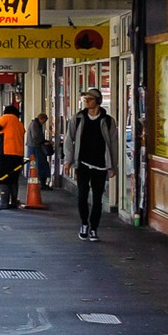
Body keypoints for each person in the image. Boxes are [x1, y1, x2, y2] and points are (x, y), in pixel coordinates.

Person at [65, 87, 119, 241]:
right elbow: (69, 140)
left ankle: (94, 227)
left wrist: (112, 166)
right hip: (82, 163)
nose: (86, 102)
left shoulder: (108, 121)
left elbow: (113, 144)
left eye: (90, 99)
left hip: (101, 165)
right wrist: (68, 161)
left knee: (97, 198)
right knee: (82, 195)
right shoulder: (78, 118)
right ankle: (84, 224)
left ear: (98, 101)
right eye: (85, 99)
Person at [0, 101, 26, 209]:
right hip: (18, 154)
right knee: (14, 178)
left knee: (3, 177)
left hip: (6, 153)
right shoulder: (19, 123)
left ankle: (3, 202)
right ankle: (13, 202)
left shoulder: (7, 117)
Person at [27, 111, 52, 187]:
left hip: (34, 146)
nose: (44, 122)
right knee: (40, 163)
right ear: (41, 119)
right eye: (44, 121)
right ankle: (41, 182)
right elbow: (36, 136)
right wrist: (44, 141)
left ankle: (38, 181)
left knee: (37, 164)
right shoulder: (35, 125)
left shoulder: (35, 124)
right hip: (35, 147)